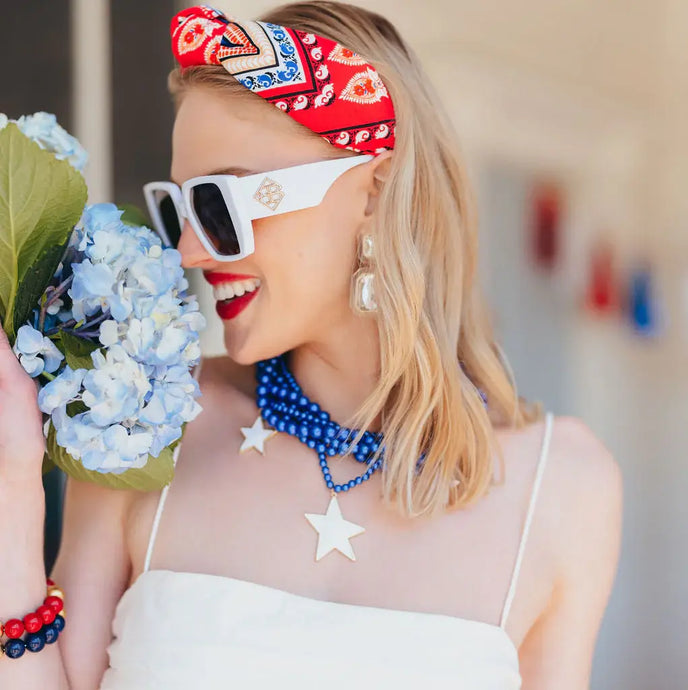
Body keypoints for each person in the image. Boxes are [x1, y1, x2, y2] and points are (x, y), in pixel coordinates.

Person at [0, 3, 623, 688]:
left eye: (219, 202)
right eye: (177, 208)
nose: (190, 250)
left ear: (374, 193)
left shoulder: (564, 488)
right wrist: (11, 489)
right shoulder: (142, 427)